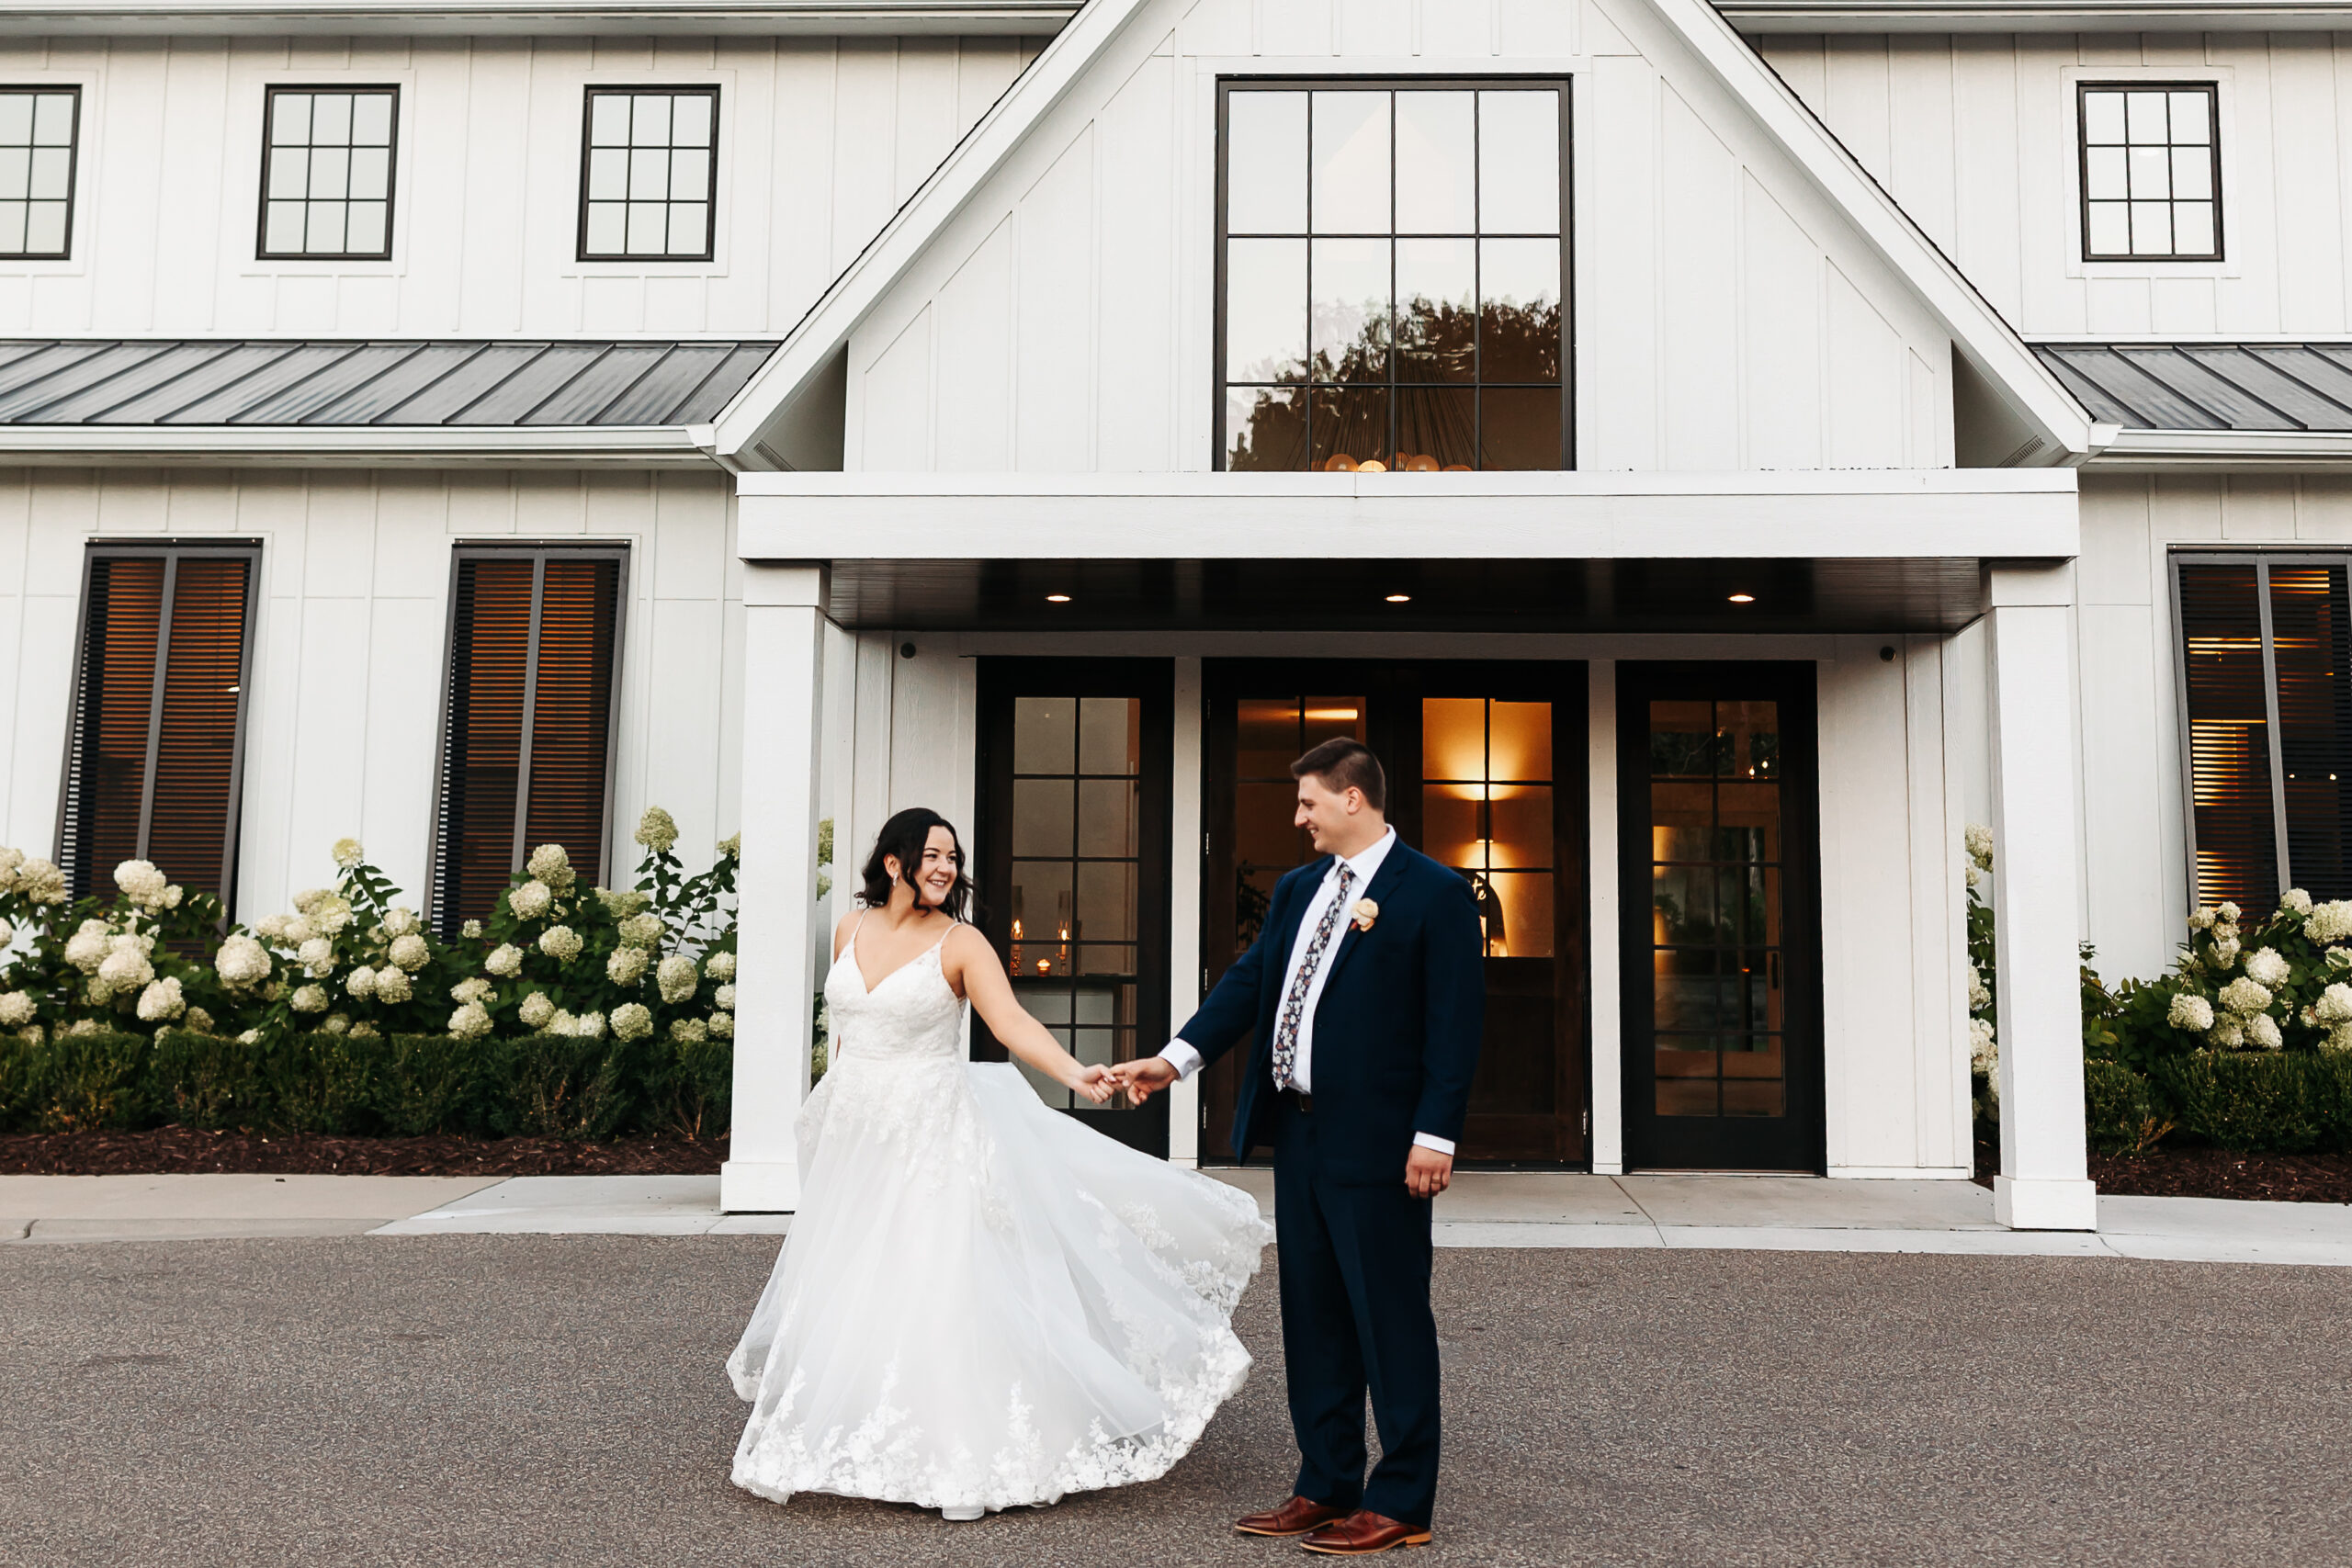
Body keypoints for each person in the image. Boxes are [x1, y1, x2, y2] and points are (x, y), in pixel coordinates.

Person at [727, 807, 1272, 1522]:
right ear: (894, 862)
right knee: (858, 1273)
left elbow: (1011, 1022)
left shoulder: (962, 942)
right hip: (859, 1129)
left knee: (937, 1275)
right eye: (933, 855)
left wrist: (1075, 1073)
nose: (947, 868)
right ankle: (856, 1422)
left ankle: (955, 1447)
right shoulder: (849, 929)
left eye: (953, 857)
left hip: (932, 1128)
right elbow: (847, 1029)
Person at [1116, 738, 1483, 1557]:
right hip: (1303, 1131)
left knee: (1387, 1314)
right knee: (1313, 1313)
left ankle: (1402, 1499)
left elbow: (1455, 1027)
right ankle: (1325, 1483)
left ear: (1354, 799)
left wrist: (1435, 1134)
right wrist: (1174, 1059)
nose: (1298, 818)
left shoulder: (1433, 893)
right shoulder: (1298, 890)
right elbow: (1250, 982)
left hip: (1386, 1143)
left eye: (1309, 802)